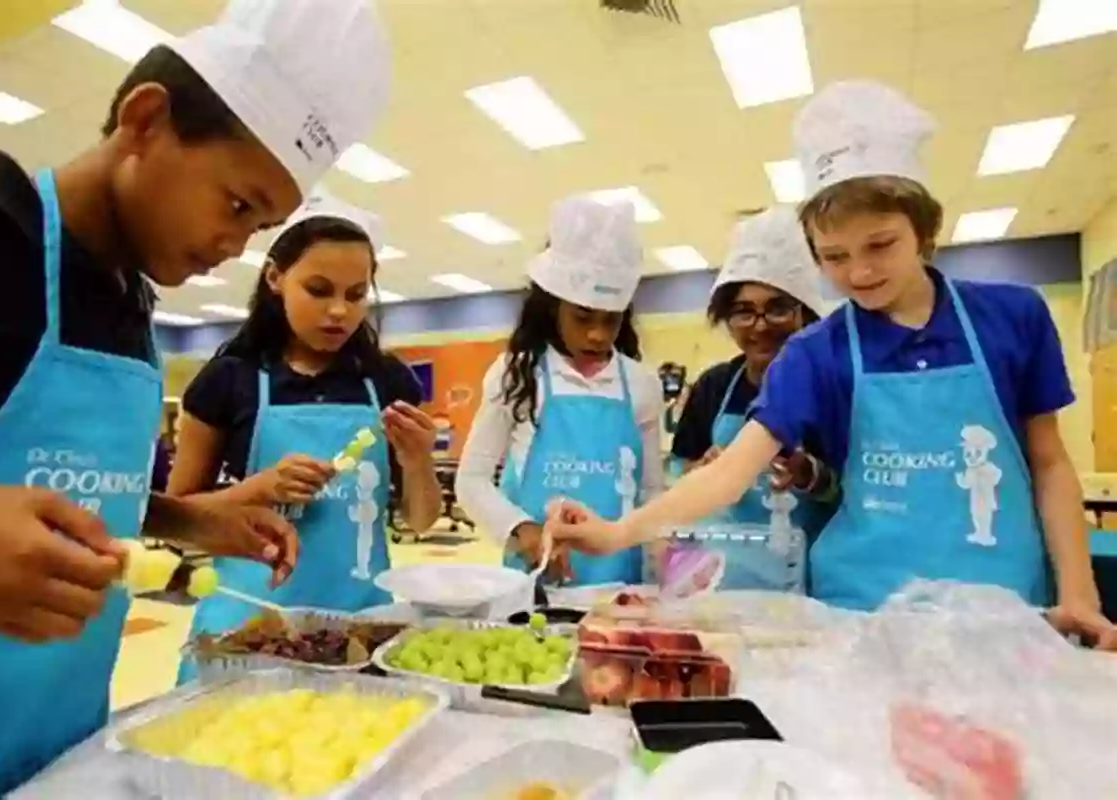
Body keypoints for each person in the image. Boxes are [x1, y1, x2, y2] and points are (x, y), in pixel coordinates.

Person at [0, 0, 392, 794]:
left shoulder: (131, 299)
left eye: (261, 224)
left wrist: (187, 517)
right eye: (237, 205)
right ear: (145, 120)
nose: (234, 247)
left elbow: (68, 490)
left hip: (58, 753)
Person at [549, 80, 1117, 650]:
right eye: (834, 256)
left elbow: (1049, 463)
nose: (859, 273)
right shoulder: (815, 351)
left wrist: (1079, 595)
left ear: (926, 230)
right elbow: (726, 474)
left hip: (1004, 603)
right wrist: (618, 532)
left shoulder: (1013, 317)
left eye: (880, 245)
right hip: (862, 613)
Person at [170, 191, 441, 681]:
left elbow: (421, 521)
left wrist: (419, 461)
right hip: (248, 625)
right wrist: (260, 489)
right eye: (319, 289)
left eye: (356, 294)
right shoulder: (227, 381)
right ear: (275, 277)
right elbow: (175, 516)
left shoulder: (387, 381)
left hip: (360, 628)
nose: (339, 310)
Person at [455, 195, 664, 586]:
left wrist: (661, 576)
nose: (597, 334)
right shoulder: (515, 375)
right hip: (535, 582)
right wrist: (523, 531)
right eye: (582, 317)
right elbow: (471, 480)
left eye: (611, 320)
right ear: (552, 308)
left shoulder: (641, 384)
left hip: (621, 583)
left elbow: (651, 493)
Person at [664, 206, 836, 593]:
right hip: (722, 582)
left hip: (806, 584)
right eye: (743, 312)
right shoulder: (714, 386)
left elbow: (849, 492)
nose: (759, 326)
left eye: (777, 308)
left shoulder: (831, 388)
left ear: (804, 312)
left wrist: (808, 475)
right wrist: (700, 473)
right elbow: (677, 478)